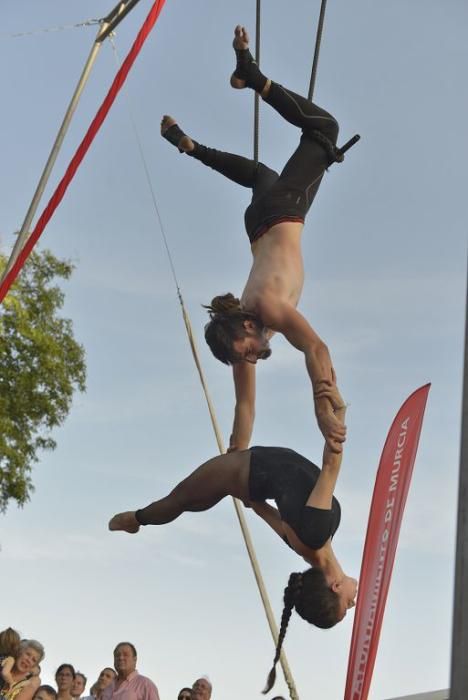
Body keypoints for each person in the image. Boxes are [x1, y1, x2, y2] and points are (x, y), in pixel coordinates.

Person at [161, 25, 353, 455]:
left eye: (246, 352)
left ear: (247, 326)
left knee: (326, 127)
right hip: (258, 222)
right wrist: (234, 459)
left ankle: (252, 74)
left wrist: (322, 404)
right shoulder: (242, 336)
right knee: (260, 174)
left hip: (284, 211)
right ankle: (191, 148)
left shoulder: (266, 310)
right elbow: (244, 408)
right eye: (243, 358)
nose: (250, 359)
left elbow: (315, 347)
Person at [109, 407, 356, 645]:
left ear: (335, 587)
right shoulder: (310, 545)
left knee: (180, 499)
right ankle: (139, 519)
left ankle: (137, 519)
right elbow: (263, 510)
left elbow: (330, 466)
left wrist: (338, 411)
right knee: (190, 501)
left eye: (346, 606)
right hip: (248, 474)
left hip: (239, 470)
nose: (353, 603)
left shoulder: (316, 533)